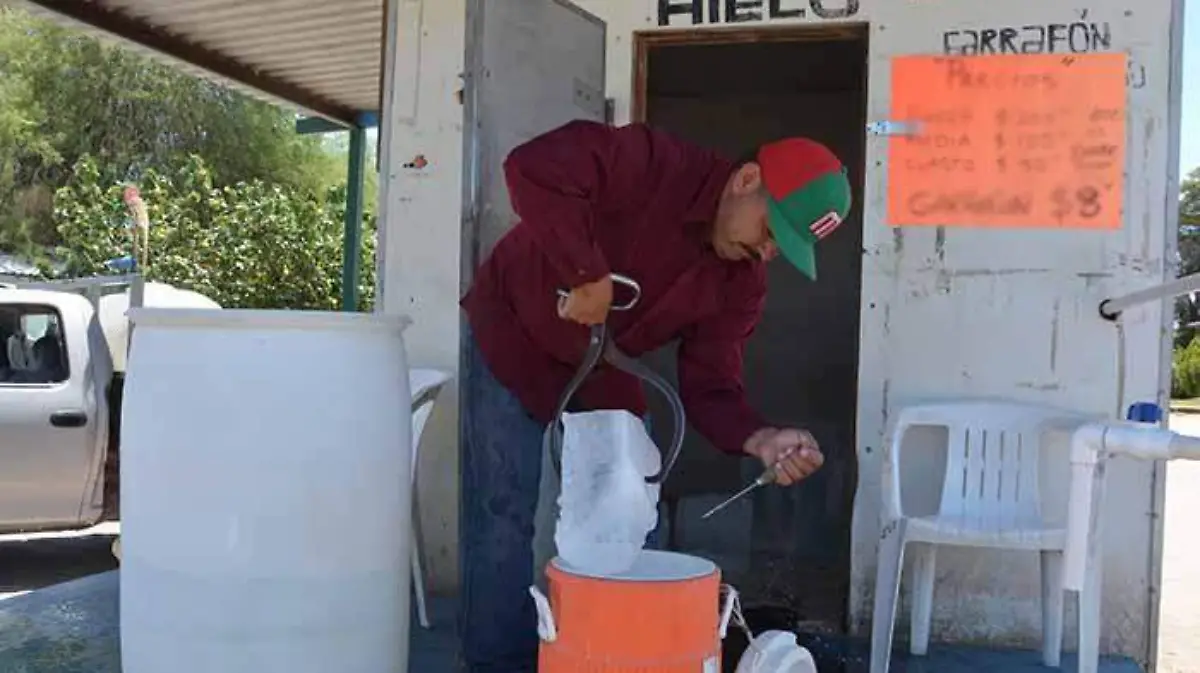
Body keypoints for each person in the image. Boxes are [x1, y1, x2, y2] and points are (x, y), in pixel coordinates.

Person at [458, 119, 852, 673]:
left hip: (601, 365)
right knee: (503, 513)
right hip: (512, 334)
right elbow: (532, 168)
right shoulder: (650, 163)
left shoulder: (741, 282)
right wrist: (586, 272)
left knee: (632, 507)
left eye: (781, 247)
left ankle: (613, 657)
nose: (766, 252)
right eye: (770, 230)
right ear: (746, 180)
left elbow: (710, 384)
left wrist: (760, 438)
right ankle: (497, 666)